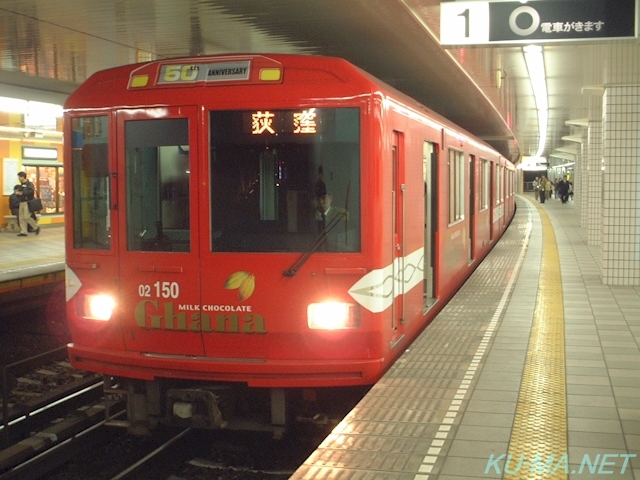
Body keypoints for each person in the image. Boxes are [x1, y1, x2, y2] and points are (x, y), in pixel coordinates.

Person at [15, 171, 40, 236]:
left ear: (23, 177)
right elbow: (20, 193)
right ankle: (23, 231)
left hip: (27, 202)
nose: (18, 178)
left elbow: (31, 192)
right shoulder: (21, 185)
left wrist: (22, 193)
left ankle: (36, 227)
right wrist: (17, 193)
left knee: (27, 216)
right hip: (21, 202)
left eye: (19, 177)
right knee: (21, 218)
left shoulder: (29, 184)